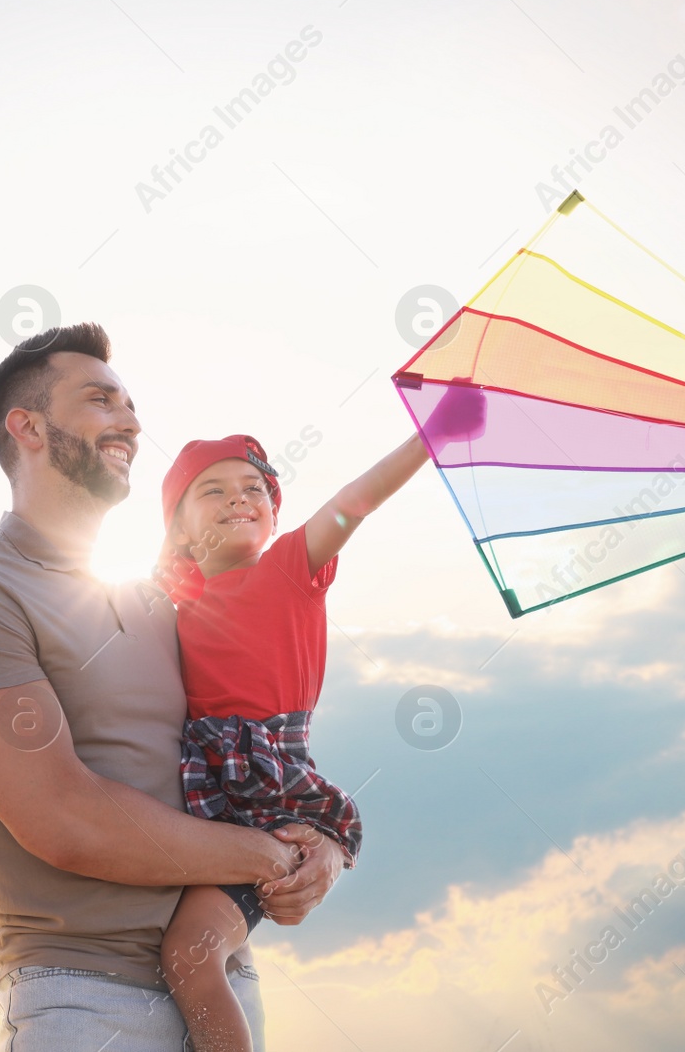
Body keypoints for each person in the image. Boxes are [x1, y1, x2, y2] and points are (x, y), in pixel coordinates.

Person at [0, 324, 345, 1051]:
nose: (132, 421)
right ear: (29, 426)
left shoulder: (158, 606)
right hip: (84, 1001)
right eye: (101, 399)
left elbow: (250, 747)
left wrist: (321, 840)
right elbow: (67, 820)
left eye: (132, 403)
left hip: (226, 985)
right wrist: (270, 856)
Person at [152, 385, 484, 1052]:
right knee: (183, 952)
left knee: (189, 954)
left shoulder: (289, 567)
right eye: (212, 491)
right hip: (203, 796)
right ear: (180, 528)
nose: (239, 497)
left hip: (264, 796)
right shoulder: (169, 599)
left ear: (275, 511)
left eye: (254, 487)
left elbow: (354, 500)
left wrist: (434, 433)